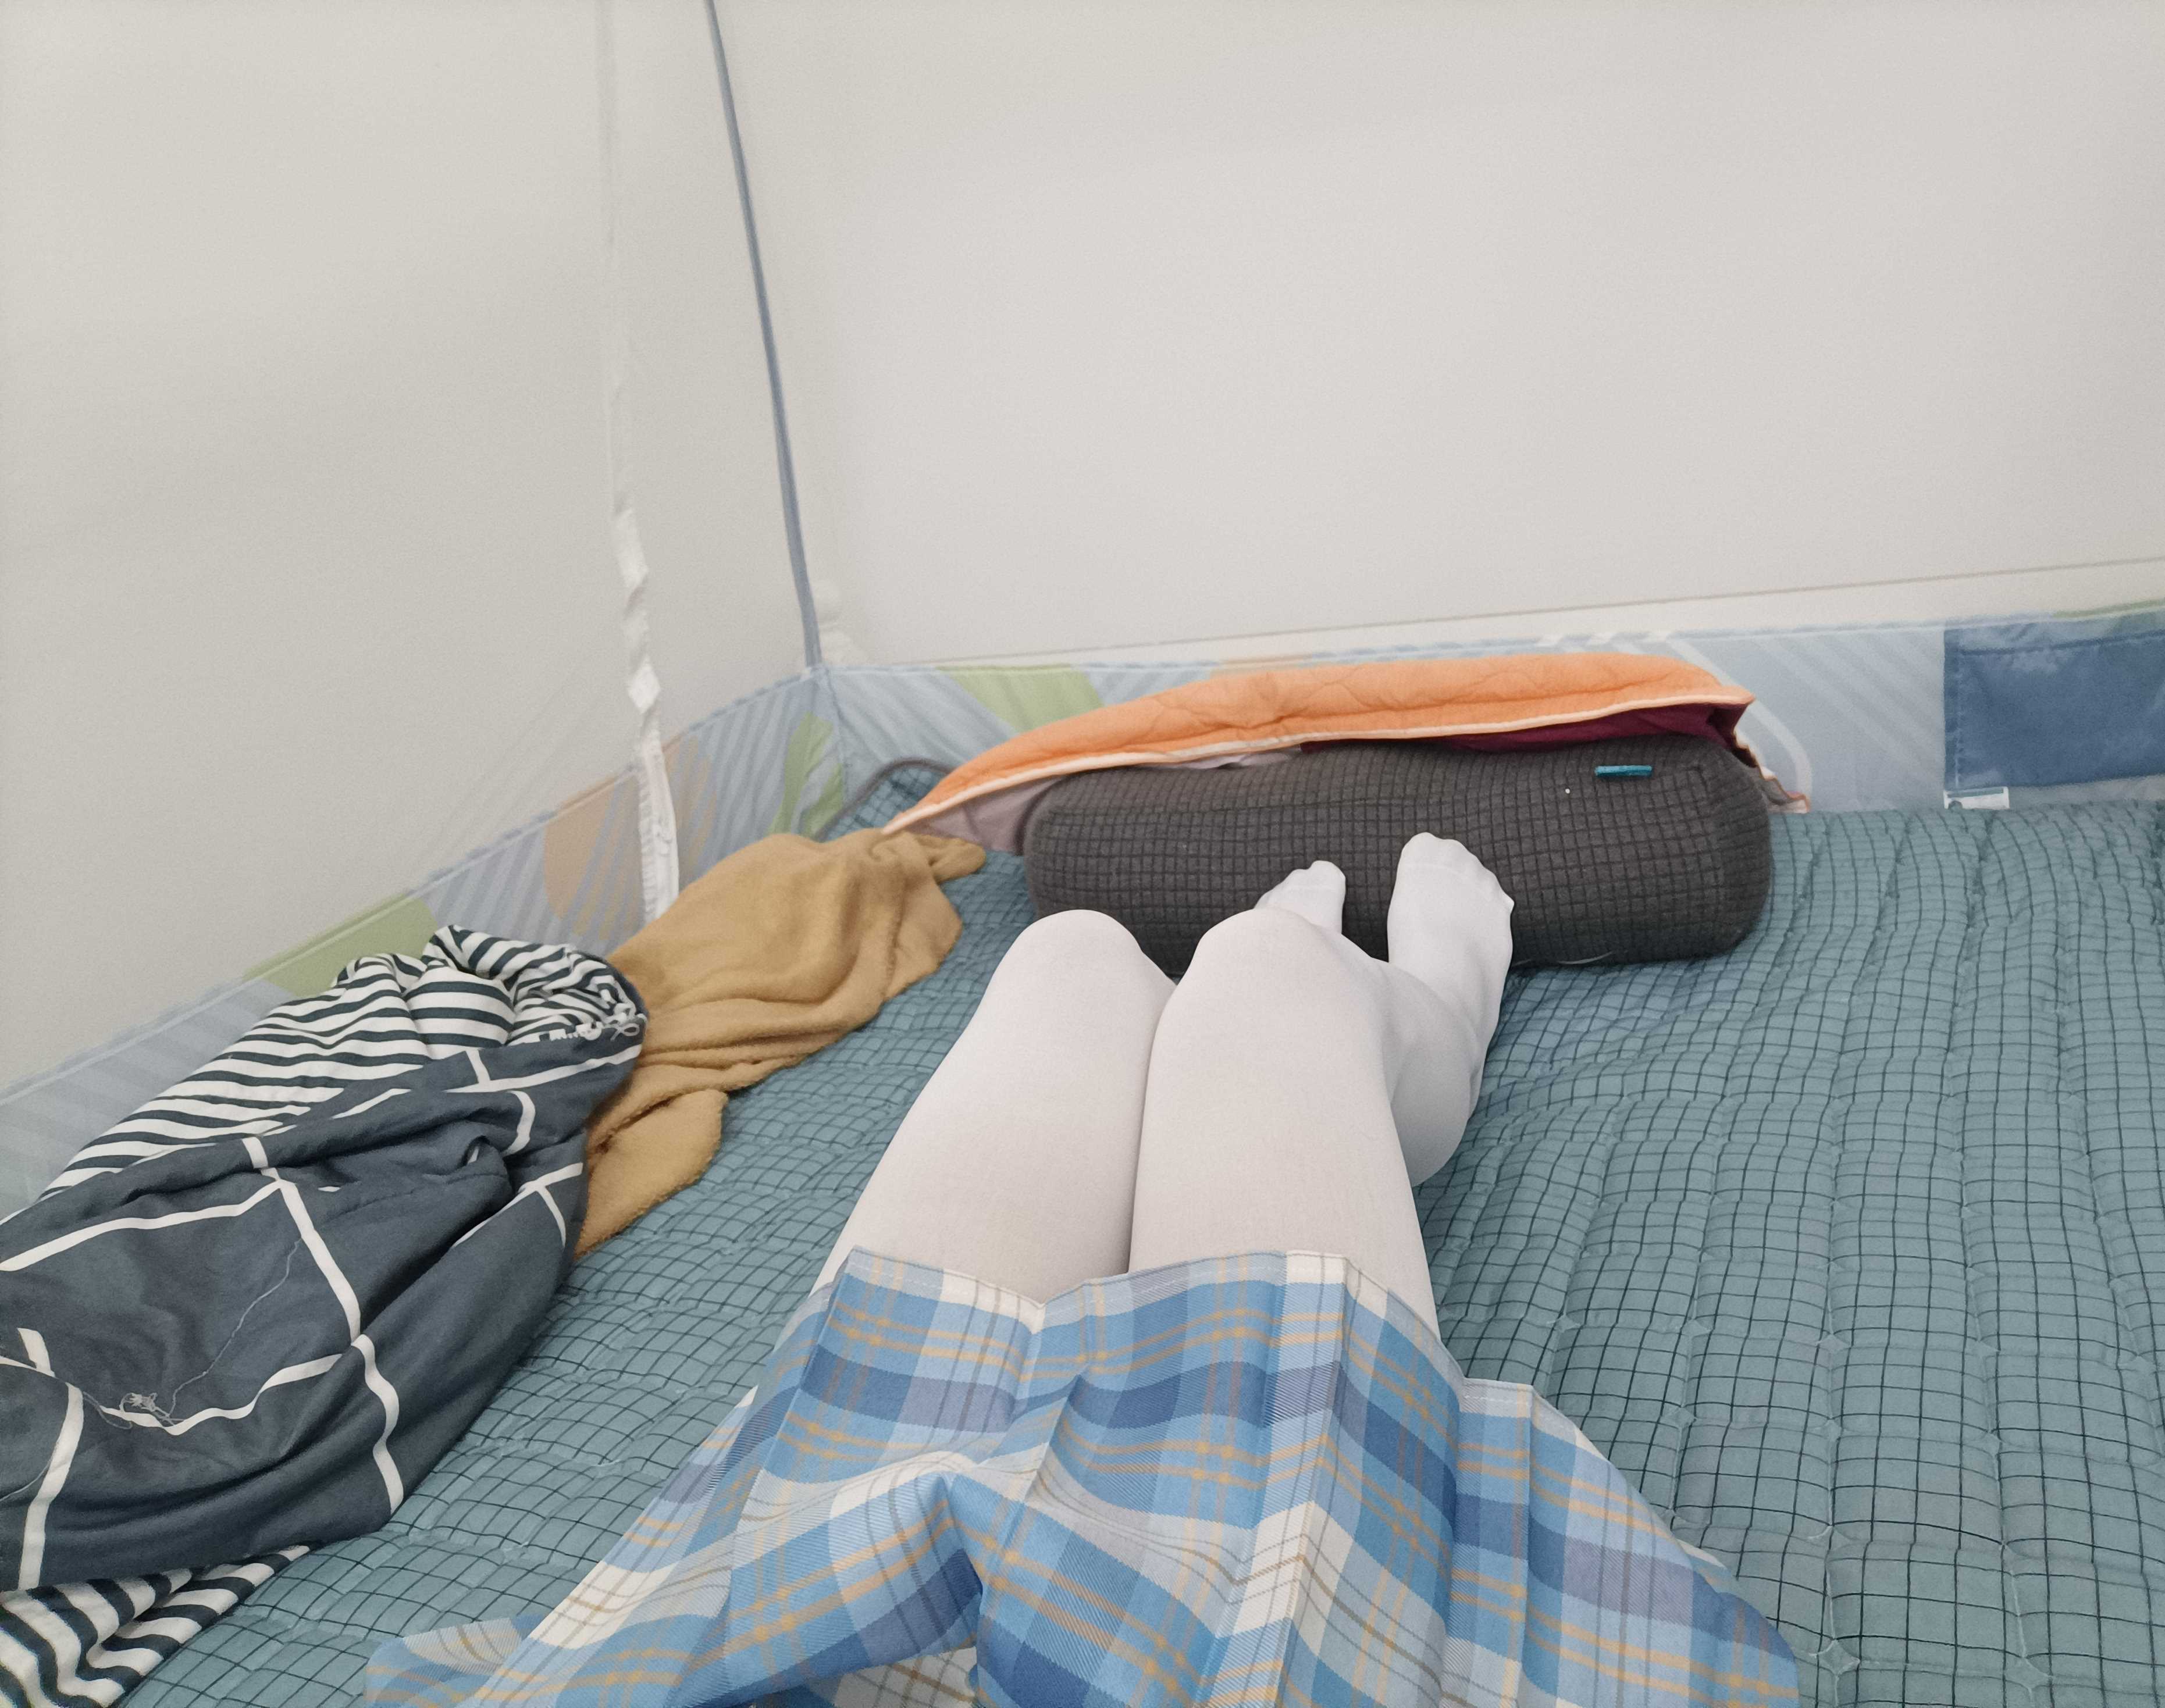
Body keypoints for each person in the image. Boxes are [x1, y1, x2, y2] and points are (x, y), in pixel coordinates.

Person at [370, 833, 1798, 1706]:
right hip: (1235, 1633)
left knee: (1070, 953)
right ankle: (1418, 1018)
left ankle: (1291, 1002)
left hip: (795, 1592)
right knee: (1257, 968)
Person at [817, 832, 1514, 1326]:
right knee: (1264, 965)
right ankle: (1445, 1016)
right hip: (1260, 1477)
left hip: (853, 1447)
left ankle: (1240, 1002)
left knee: (1071, 952)